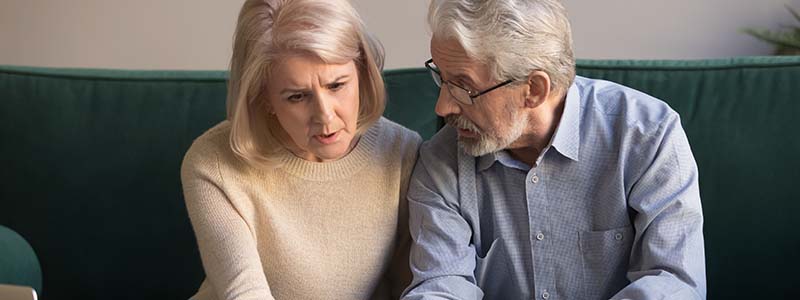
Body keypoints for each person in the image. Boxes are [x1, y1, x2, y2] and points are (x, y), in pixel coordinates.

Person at [402, 0, 706, 299]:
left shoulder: (646, 136)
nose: (442, 107)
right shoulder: (441, 161)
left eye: (464, 87)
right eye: (442, 77)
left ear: (534, 90)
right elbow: (441, 285)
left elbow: (672, 283)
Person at [180, 0, 422, 299]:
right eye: (297, 96)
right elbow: (243, 292)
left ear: (361, 71)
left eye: (336, 85)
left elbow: (413, 285)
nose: (325, 116)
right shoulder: (213, 162)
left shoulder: (402, 153)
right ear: (263, 97)